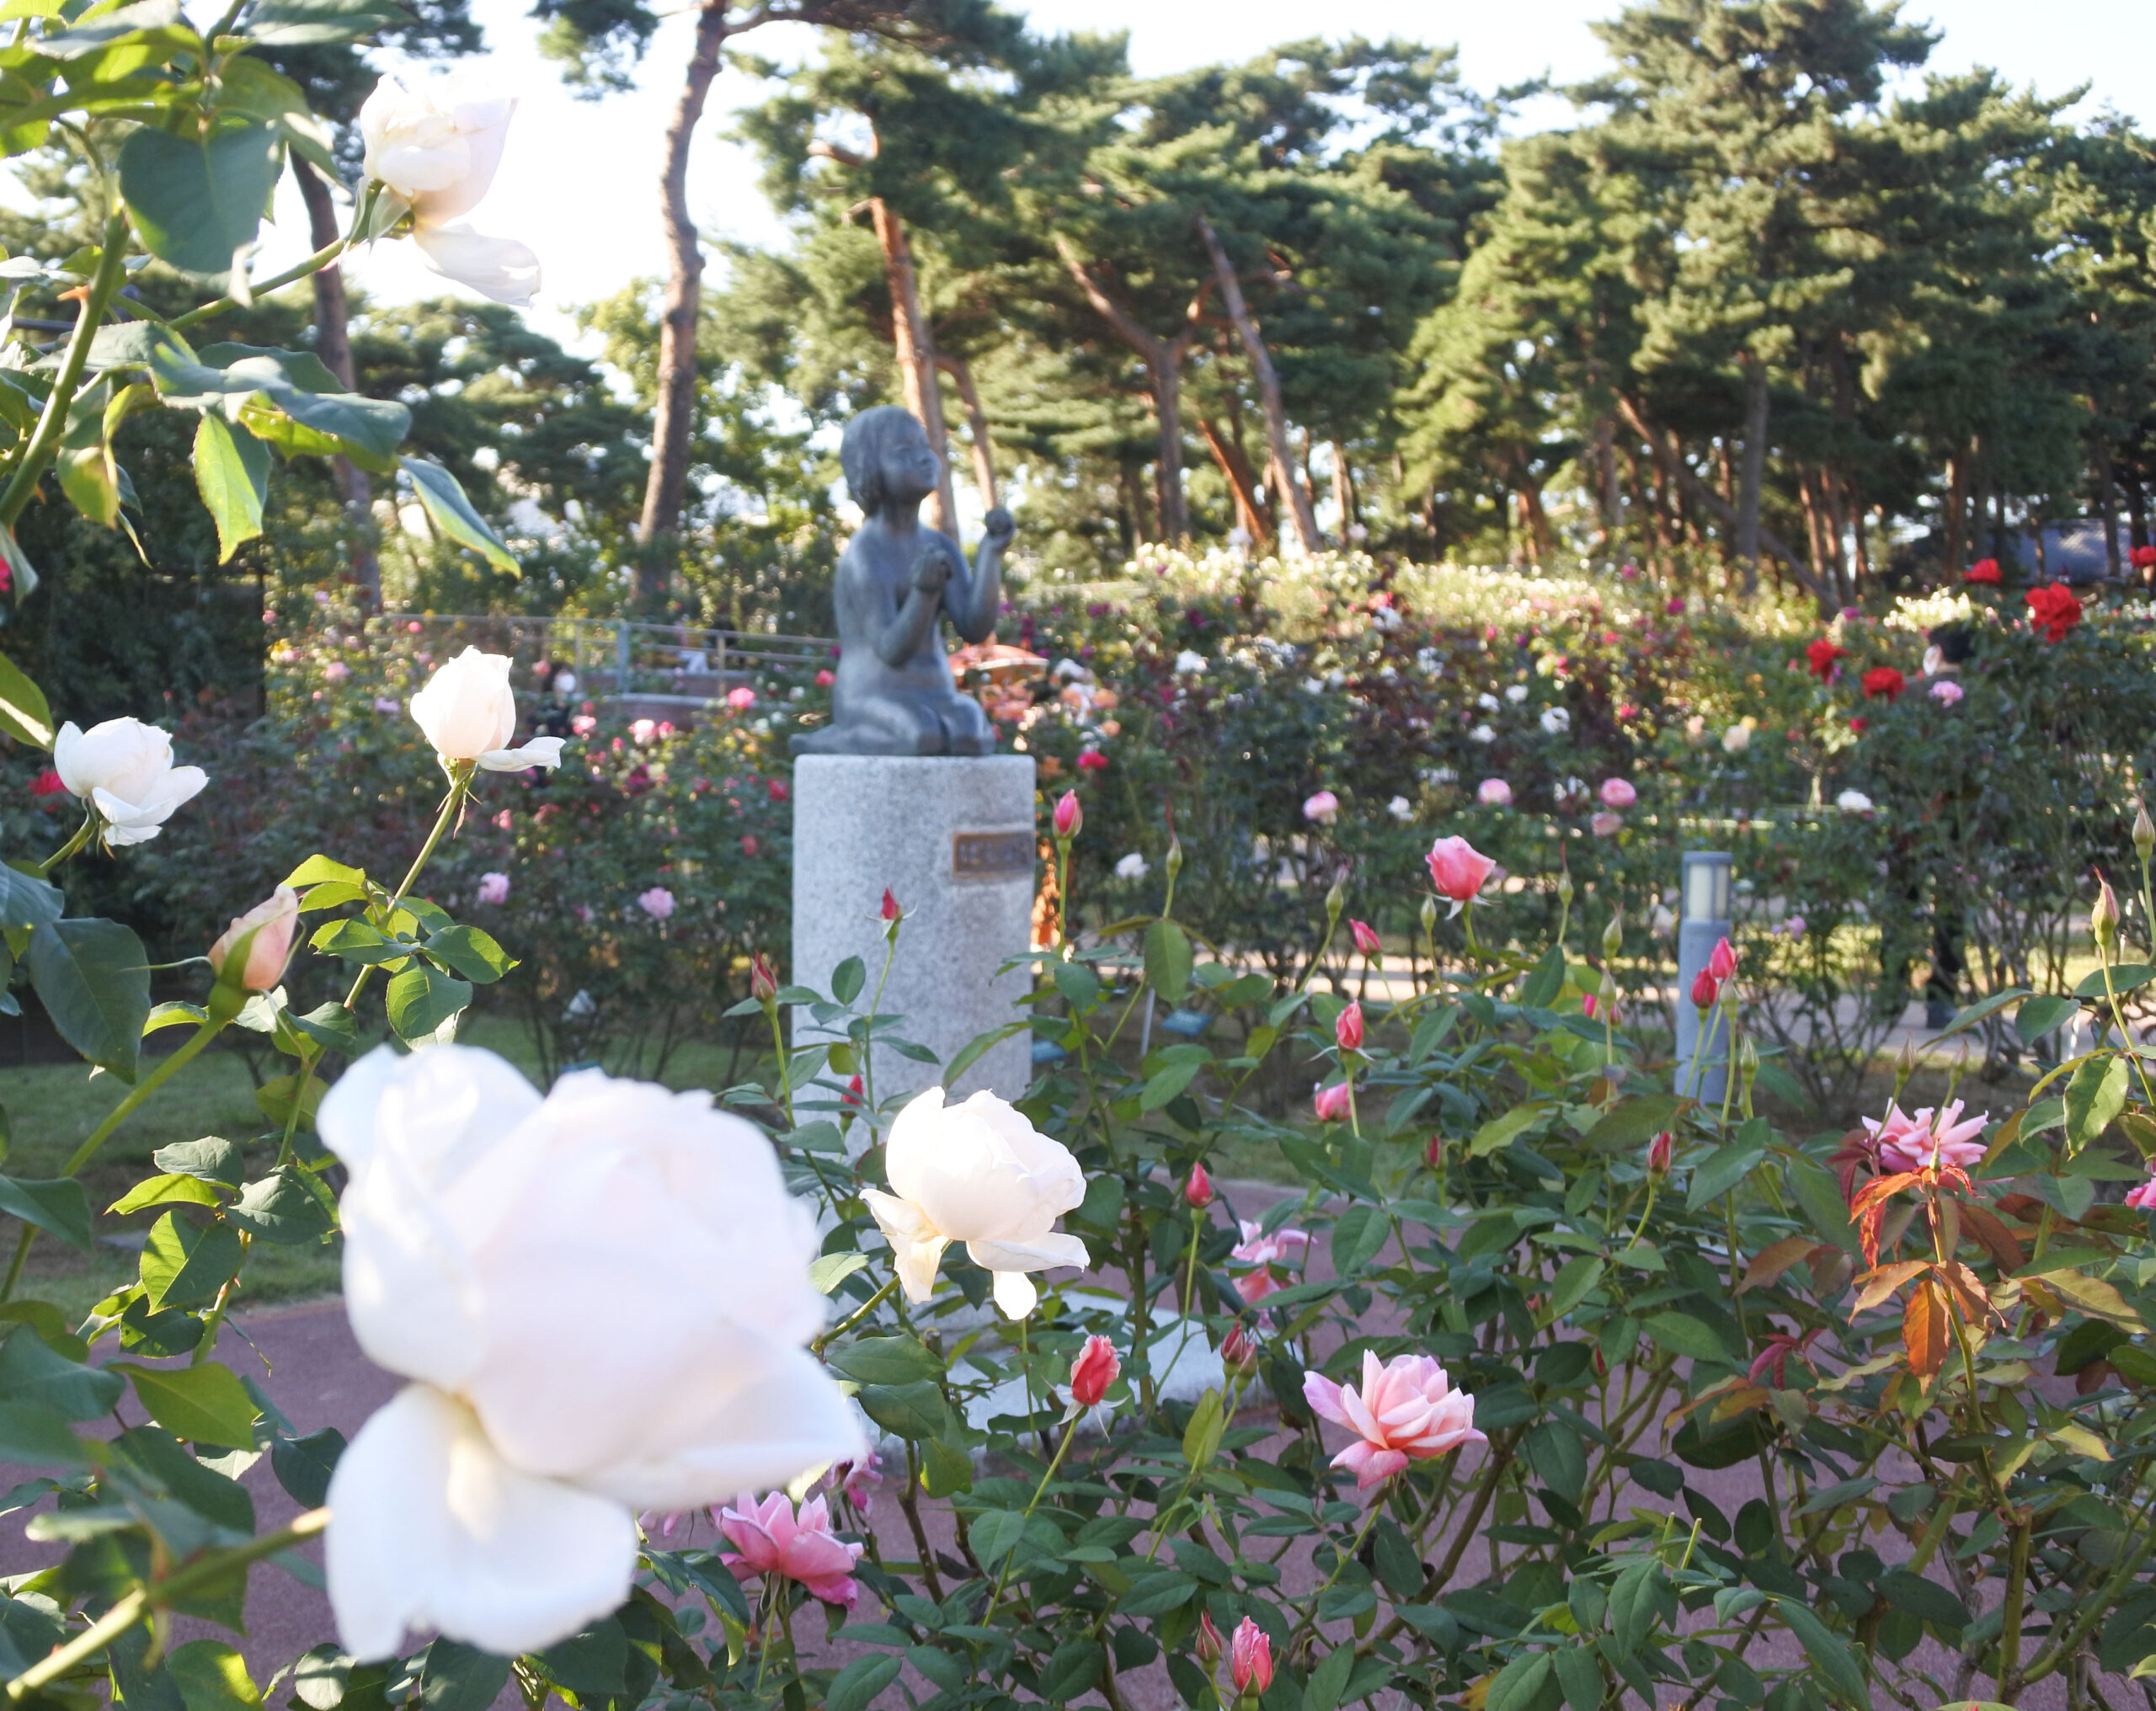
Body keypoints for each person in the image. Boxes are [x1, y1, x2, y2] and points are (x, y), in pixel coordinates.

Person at [792, 406, 1015, 757]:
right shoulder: (866, 552)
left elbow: (973, 627)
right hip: (872, 694)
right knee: (919, 738)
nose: (924, 459)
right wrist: (924, 594)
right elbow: (890, 649)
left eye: (925, 448)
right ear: (869, 469)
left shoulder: (939, 545)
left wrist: (990, 553)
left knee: (975, 736)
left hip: (934, 692)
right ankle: (830, 740)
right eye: (903, 452)